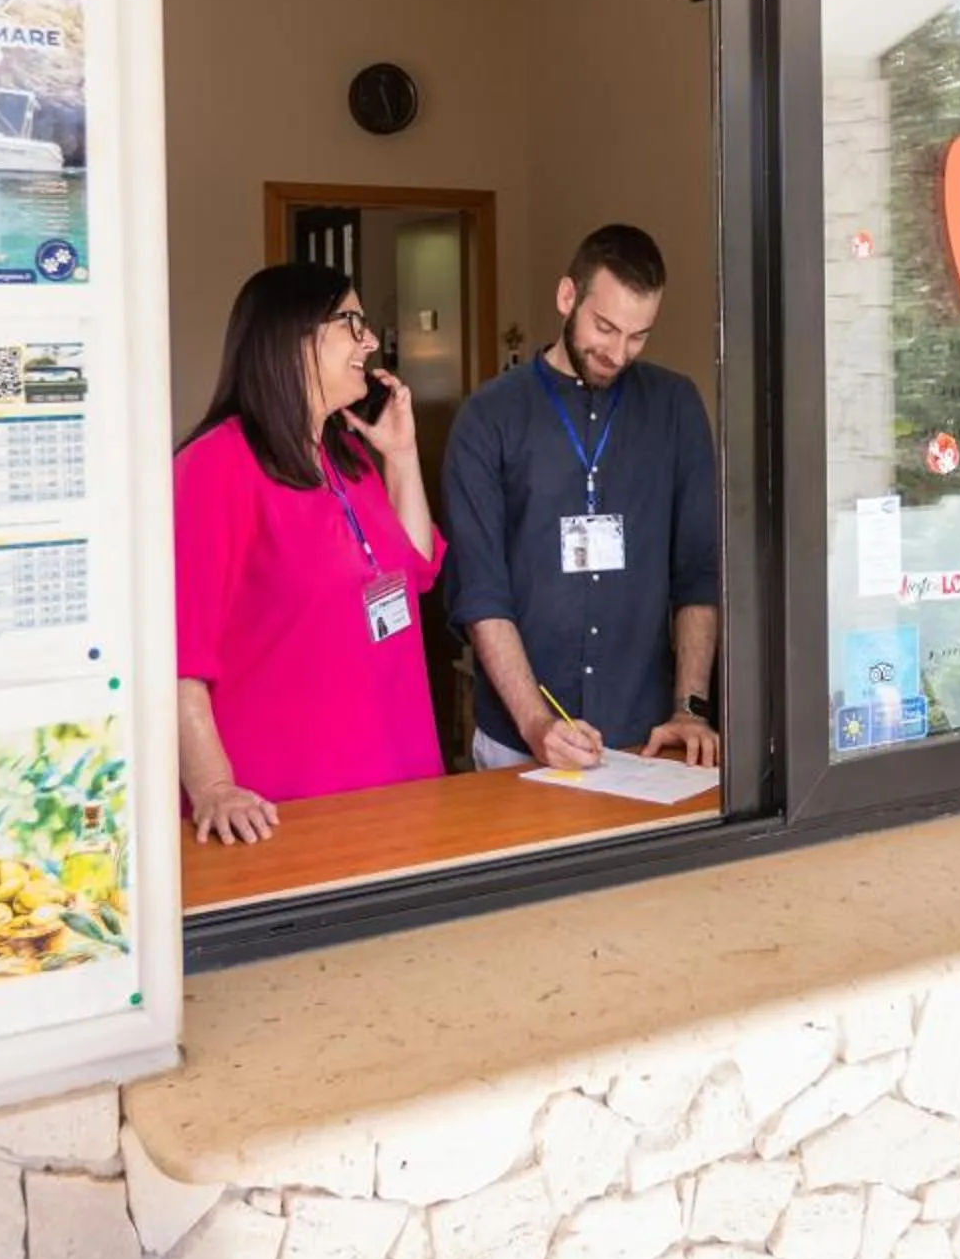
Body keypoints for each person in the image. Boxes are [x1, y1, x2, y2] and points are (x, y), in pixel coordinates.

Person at [173, 262, 444, 844]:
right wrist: (214, 787)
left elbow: (419, 569)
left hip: (399, 784)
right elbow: (179, 658)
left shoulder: (347, 455)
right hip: (281, 811)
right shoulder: (214, 467)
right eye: (353, 322)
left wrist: (402, 456)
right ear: (293, 336)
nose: (370, 342)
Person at [445, 225, 722, 772]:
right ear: (567, 298)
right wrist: (535, 723)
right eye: (605, 327)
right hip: (518, 743)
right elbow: (481, 593)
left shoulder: (675, 407)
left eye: (639, 336)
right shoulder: (488, 417)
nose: (618, 353)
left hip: (647, 738)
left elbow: (699, 572)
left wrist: (690, 709)